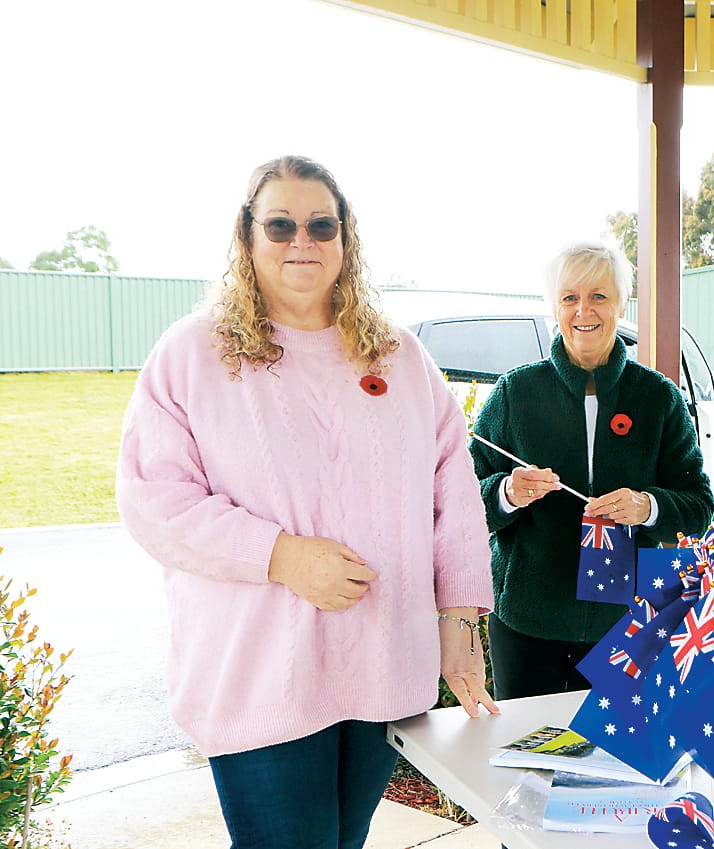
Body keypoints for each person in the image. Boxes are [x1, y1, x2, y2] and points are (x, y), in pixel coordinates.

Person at [116, 155, 496, 849]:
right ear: (247, 238)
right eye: (281, 224)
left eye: (322, 224)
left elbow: (454, 491)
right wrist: (279, 555)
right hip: (261, 674)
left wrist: (459, 619)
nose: (303, 240)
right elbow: (153, 499)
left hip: (383, 664)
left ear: (346, 239)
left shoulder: (398, 357)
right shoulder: (193, 353)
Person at [470, 240, 714, 701]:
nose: (584, 310)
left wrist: (648, 507)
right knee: (526, 758)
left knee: (613, 763)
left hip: (628, 621)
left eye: (599, 296)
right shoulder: (515, 393)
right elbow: (461, 501)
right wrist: (506, 492)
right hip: (527, 625)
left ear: (622, 302)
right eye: (570, 298)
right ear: (554, 308)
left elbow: (700, 505)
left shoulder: (657, 398)